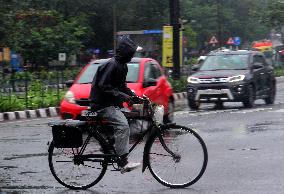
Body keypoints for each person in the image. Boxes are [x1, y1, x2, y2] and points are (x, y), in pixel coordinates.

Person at [89, 36, 142, 173]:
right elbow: (104, 87)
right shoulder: (112, 65)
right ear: (125, 53)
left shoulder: (122, 66)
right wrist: (124, 97)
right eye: (131, 53)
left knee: (129, 119)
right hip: (102, 104)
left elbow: (122, 87)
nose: (132, 56)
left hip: (111, 103)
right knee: (123, 126)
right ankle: (123, 162)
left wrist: (134, 96)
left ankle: (110, 142)